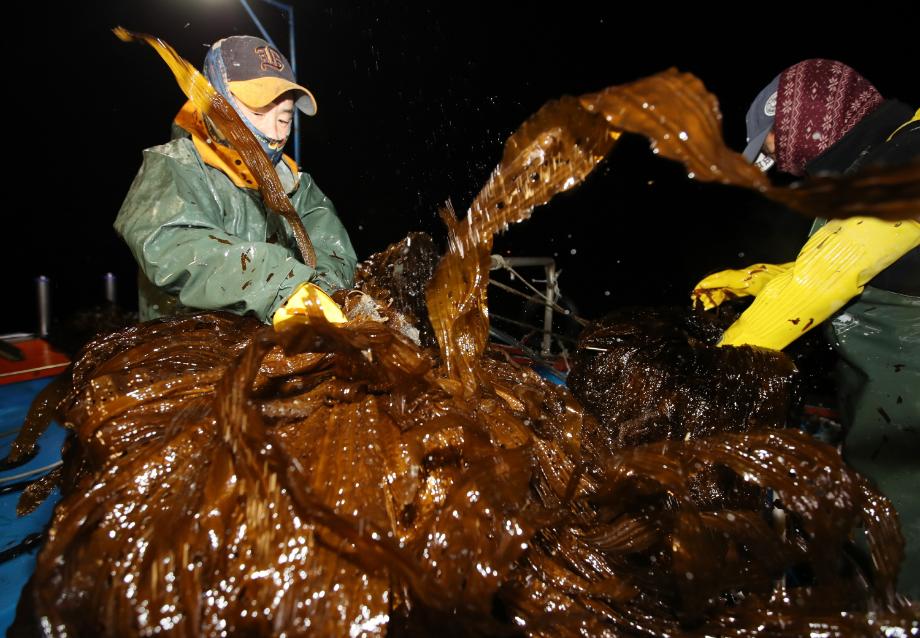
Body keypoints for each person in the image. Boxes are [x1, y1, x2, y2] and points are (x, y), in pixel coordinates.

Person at [696, 59, 920, 598]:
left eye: (768, 146)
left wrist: (713, 370)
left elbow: (834, 269)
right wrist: (754, 280)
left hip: (913, 449)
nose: (772, 165)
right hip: (890, 428)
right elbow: (863, 264)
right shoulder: (875, 157)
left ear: (799, 116)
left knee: (903, 558)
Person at [115, 35, 356, 323]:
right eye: (257, 112)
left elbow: (332, 249)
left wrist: (319, 293)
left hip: (269, 349)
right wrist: (283, 286)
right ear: (217, 104)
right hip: (188, 350)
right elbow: (173, 245)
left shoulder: (294, 184)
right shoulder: (173, 167)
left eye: (285, 118)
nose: (277, 134)